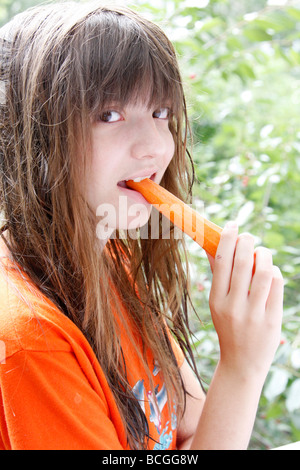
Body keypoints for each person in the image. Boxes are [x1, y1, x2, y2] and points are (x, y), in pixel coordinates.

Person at [0, 2, 284, 450]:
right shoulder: (28, 339)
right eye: (109, 115)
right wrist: (242, 367)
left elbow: (192, 433)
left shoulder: (111, 257)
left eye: (161, 113)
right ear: (34, 134)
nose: (155, 147)